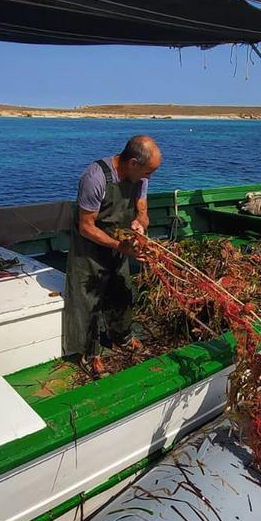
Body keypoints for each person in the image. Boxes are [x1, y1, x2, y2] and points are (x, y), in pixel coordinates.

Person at [61, 135, 162, 378]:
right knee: (87, 300)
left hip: (119, 243)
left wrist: (140, 224)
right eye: (148, 172)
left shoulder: (140, 178)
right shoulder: (95, 178)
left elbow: (142, 210)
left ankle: (122, 337)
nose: (149, 178)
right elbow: (86, 226)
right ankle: (87, 353)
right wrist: (121, 246)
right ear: (133, 163)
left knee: (122, 291)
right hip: (89, 249)